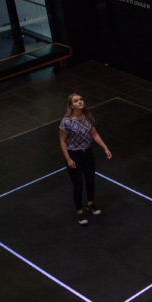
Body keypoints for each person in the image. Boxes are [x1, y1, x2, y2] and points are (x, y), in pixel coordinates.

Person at [58, 93, 111, 225]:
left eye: (81, 99)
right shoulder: (66, 121)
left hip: (87, 153)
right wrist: (68, 159)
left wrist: (105, 147)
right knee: (78, 184)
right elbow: (62, 141)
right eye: (76, 101)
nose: (80, 102)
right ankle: (79, 212)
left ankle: (91, 204)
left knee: (90, 180)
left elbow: (94, 133)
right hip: (74, 155)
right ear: (71, 105)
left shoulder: (88, 116)